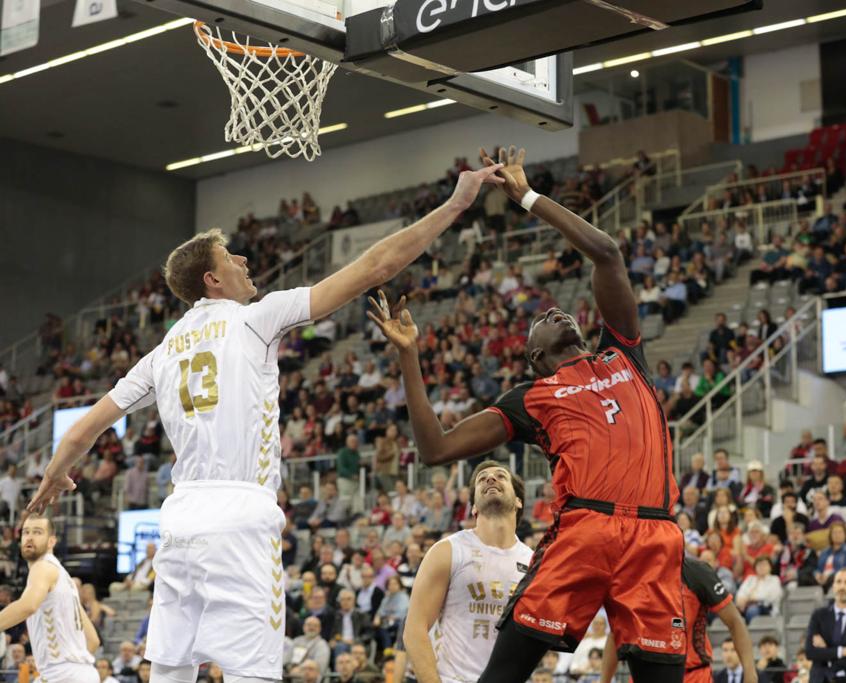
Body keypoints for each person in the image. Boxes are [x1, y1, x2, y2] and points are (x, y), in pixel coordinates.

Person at [27, 159, 507, 683]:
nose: (244, 257)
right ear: (212, 280)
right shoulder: (257, 318)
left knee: (169, 671)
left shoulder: (161, 353)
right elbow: (375, 268)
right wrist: (457, 203)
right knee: (252, 673)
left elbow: (81, 430)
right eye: (230, 256)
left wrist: (55, 474)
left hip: (180, 518)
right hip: (240, 515)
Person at [374, 145, 686, 683]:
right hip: (584, 531)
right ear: (535, 357)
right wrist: (409, 356)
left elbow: (607, 253)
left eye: (557, 313)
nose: (552, 311)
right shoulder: (533, 395)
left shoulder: (623, 355)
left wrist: (528, 197)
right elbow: (436, 450)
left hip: (655, 538)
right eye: (540, 320)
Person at [402, 461, 533, 683]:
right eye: (482, 478)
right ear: (473, 507)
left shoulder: (533, 562)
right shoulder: (448, 550)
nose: (490, 479)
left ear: (519, 501)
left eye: (501, 476)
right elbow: (414, 629)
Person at [599, 558, 757, 683]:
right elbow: (618, 631)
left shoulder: (696, 573)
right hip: (644, 674)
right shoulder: (632, 574)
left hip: (692, 675)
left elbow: (735, 621)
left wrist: (750, 674)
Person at [0, 514, 101, 682]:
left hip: (62, 674)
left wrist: (64, 671)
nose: (30, 537)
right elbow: (93, 640)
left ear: (52, 541)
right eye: (26, 532)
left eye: (38, 532)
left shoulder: (43, 566)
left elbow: (28, 606)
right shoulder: (65, 581)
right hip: (81, 673)